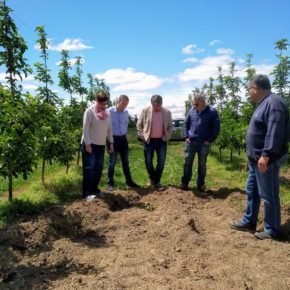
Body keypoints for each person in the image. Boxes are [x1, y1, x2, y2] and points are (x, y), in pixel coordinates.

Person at [230, 75, 289, 240]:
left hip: (265, 160)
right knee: (252, 191)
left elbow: (275, 131)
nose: (249, 93)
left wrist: (266, 155)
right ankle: (249, 221)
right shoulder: (263, 103)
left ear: (255, 88)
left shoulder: (274, 102)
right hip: (255, 160)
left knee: (269, 195)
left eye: (249, 89)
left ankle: (272, 230)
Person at [180, 93, 220, 193]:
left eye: (196, 104)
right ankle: (185, 183)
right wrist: (186, 136)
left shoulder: (212, 112)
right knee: (187, 163)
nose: (194, 106)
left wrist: (209, 140)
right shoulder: (191, 110)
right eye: (193, 104)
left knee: (202, 164)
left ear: (203, 102)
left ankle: (201, 184)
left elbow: (216, 129)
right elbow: (185, 124)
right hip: (191, 142)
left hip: (204, 144)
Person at [81, 91, 114, 201]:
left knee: (98, 169)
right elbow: (85, 129)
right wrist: (88, 144)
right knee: (89, 169)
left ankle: (94, 189)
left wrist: (111, 142)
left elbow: (109, 130)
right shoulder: (89, 111)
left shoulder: (107, 114)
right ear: (97, 101)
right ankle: (86, 193)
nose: (103, 106)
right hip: (90, 144)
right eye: (101, 104)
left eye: (105, 104)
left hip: (101, 145)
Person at [136, 95, 172, 187]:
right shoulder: (145, 110)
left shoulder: (167, 112)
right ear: (151, 103)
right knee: (148, 161)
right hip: (149, 140)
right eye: (154, 106)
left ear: (161, 104)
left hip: (162, 141)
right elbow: (139, 125)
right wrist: (141, 134)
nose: (156, 108)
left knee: (161, 162)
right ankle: (152, 178)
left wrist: (167, 135)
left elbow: (170, 126)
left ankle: (156, 181)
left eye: (158, 106)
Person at [107, 94, 139, 190]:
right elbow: (106, 128)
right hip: (112, 139)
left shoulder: (126, 112)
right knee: (112, 162)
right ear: (118, 101)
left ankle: (129, 182)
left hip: (123, 140)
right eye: (123, 103)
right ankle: (110, 183)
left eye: (126, 104)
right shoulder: (109, 112)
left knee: (125, 161)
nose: (124, 106)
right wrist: (109, 142)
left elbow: (126, 124)